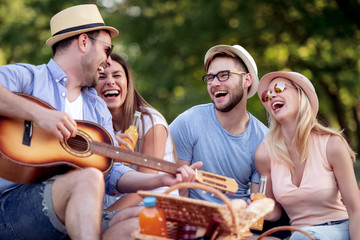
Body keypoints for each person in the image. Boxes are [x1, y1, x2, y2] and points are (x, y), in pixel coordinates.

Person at [0, 4, 201, 240]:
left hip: (75, 210)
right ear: (84, 42)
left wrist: (160, 178)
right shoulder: (30, 78)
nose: (107, 60)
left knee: (147, 219)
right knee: (90, 177)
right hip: (13, 208)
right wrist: (39, 114)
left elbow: (113, 169)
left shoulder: (97, 107)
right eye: (107, 49)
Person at [254, 71, 360, 239]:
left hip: (338, 229)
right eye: (267, 95)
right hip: (300, 234)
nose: (272, 95)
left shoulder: (332, 145)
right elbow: (274, 212)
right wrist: (260, 207)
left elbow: (356, 209)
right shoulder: (264, 153)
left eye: (279, 88)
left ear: (300, 94)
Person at [169, 44, 268, 203]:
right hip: (189, 219)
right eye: (210, 77)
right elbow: (173, 194)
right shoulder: (188, 123)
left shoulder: (264, 139)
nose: (214, 83)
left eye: (224, 75)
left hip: (237, 222)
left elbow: (256, 207)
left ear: (246, 80)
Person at [96, 52, 179, 211]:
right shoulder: (96, 128)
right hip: (119, 207)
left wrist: (106, 215)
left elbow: (144, 188)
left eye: (117, 75)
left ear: (127, 82)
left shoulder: (151, 122)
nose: (110, 82)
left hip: (155, 208)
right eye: (101, 77)